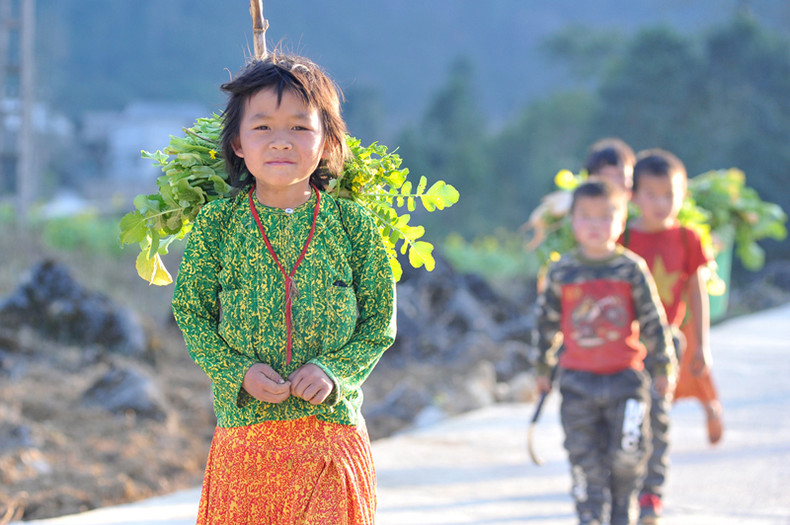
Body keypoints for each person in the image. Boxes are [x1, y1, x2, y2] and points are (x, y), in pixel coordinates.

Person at [171, 53, 396, 524]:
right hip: (246, 445)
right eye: (262, 128)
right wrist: (237, 372)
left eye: (299, 128)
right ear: (236, 143)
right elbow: (191, 313)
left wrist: (336, 371)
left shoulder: (352, 224)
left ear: (328, 141)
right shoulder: (218, 225)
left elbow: (379, 320)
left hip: (330, 442)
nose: (280, 143)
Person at [533, 180, 676, 525]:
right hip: (577, 381)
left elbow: (653, 321)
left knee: (628, 453)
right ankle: (590, 515)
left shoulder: (631, 268)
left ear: (622, 219)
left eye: (605, 216)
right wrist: (542, 369)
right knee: (585, 458)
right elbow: (546, 324)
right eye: (586, 217)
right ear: (572, 221)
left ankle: (621, 512)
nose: (595, 225)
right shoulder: (562, 271)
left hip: (626, 380)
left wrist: (663, 368)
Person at [621, 148, 723, 524]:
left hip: (667, 343)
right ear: (634, 196)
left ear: (683, 196)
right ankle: (624, 485)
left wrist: (703, 345)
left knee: (658, 418)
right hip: (627, 346)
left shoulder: (687, 239)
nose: (662, 204)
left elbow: (697, 291)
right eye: (652, 195)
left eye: (670, 195)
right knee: (628, 417)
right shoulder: (623, 236)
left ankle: (651, 495)